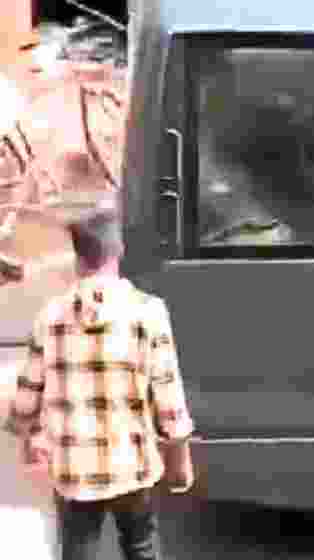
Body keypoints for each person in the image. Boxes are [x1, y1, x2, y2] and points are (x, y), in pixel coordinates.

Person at [4, 207, 195, 560]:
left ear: (78, 258)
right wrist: (179, 459)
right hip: (134, 465)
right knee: (141, 545)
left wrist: (27, 437)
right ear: (119, 251)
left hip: (74, 469)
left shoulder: (50, 316)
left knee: (80, 548)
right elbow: (168, 395)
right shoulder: (148, 312)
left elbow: (28, 393)